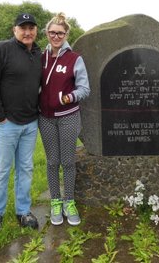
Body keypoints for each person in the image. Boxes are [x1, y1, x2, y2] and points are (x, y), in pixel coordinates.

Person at [0, 13, 42, 236]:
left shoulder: (38, 53)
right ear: (14, 29)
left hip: (30, 123)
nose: (27, 32)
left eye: (31, 28)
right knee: (1, 170)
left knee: (25, 169)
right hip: (6, 124)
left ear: (36, 30)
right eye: (22, 28)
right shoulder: (2, 49)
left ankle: (23, 211)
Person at [39, 12, 90, 226]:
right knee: (52, 162)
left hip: (68, 116)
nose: (56, 36)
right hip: (45, 118)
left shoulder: (74, 58)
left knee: (68, 161)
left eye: (60, 33)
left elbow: (85, 89)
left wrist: (69, 96)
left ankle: (69, 201)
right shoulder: (41, 57)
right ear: (47, 34)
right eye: (52, 32)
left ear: (66, 34)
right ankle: (55, 202)